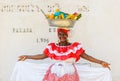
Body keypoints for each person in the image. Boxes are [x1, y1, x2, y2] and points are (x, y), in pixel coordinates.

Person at [18, 28, 110, 81]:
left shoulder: (74, 47)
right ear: (58, 35)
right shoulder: (53, 47)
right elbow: (42, 56)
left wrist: (101, 62)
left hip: (69, 72)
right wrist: (27, 56)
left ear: (67, 35)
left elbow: (87, 57)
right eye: (60, 34)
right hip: (54, 72)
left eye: (64, 34)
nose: (62, 36)